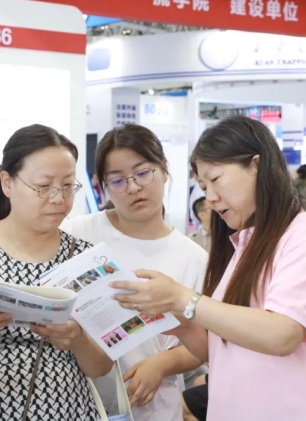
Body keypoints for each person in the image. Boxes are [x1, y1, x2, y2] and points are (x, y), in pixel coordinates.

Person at [112, 116, 306, 421]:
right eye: (203, 186)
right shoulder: (244, 245)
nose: (210, 198)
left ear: (256, 165)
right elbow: (223, 350)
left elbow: (283, 334)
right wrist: (179, 321)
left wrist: (184, 299)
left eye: (215, 179)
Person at [0, 124, 112, 420]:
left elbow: (101, 367)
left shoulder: (85, 259)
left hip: (67, 411)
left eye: (68, 186)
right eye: (44, 187)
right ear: (7, 183)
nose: (58, 198)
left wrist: (78, 341)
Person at [61, 124, 208, 421]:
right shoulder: (77, 234)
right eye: (117, 180)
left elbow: (204, 345)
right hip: (75, 401)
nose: (133, 188)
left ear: (164, 170)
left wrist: (163, 364)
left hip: (152, 407)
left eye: (142, 173)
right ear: (104, 186)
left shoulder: (194, 258)